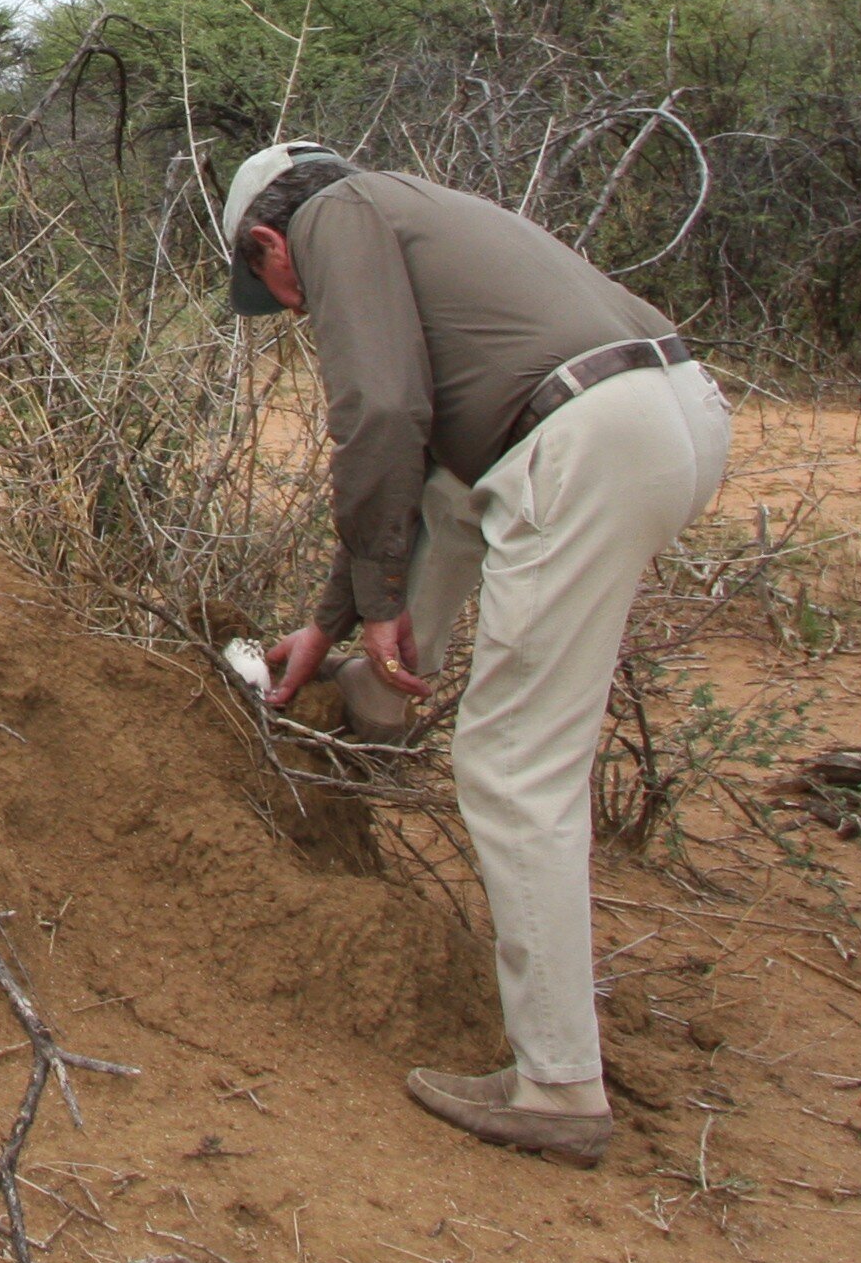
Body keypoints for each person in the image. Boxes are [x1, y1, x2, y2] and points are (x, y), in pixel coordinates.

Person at [220, 141, 732, 1167]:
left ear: (271, 242)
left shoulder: (334, 220)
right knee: (456, 502)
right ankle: (376, 694)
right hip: (675, 411)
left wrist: (371, 602)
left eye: (274, 292)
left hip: (587, 440)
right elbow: (426, 468)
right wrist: (340, 615)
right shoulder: (418, 201)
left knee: (512, 767)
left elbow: (380, 412)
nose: (296, 310)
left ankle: (555, 1086)